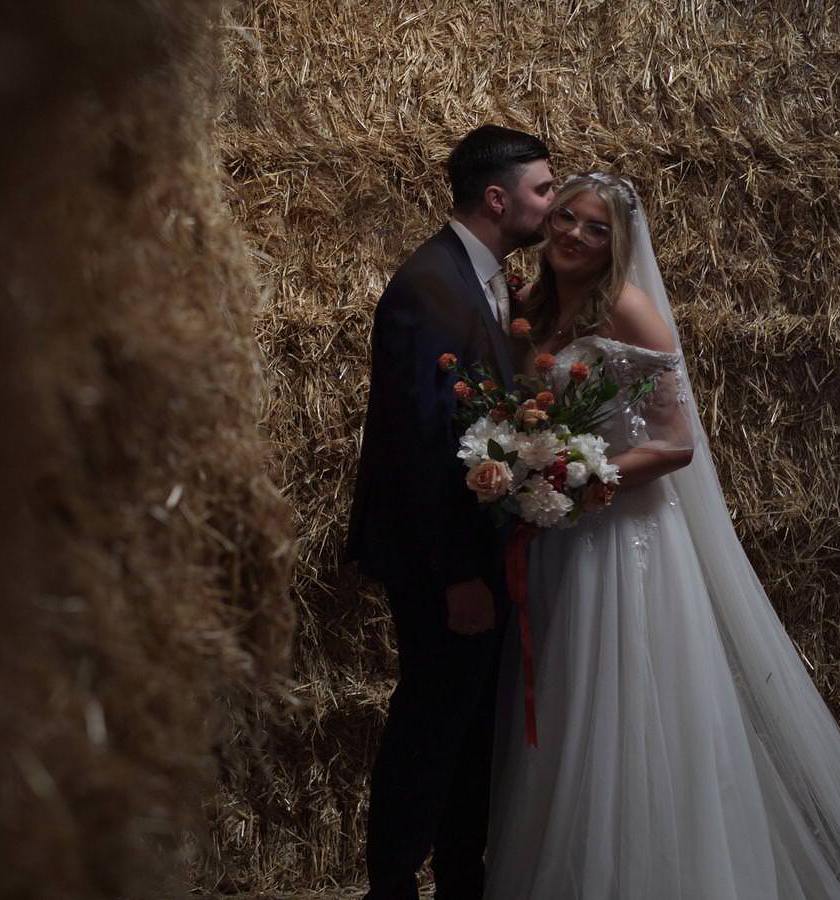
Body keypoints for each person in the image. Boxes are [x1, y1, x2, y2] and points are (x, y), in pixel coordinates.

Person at [481, 172, 840, 899]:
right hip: (558, 539)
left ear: (619, 244)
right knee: (565, 705)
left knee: (624, 707)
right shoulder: (530, 305)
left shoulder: (631, 312)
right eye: (567, 218)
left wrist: (579, 473)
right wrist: (524, 467)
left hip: (623, 541)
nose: (574, 235)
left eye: (596, 228)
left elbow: (675, 443)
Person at [345, 124, 555, 900]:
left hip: (475, 551)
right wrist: (461, 576)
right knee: (432, 727)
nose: (552, 201)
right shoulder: (429, 287)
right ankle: (392, 886)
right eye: (542, 188)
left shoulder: (485, 280)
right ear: (498, 199)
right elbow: (423, 446)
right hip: (444, 560)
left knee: (471, 730)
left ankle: (463, 881)